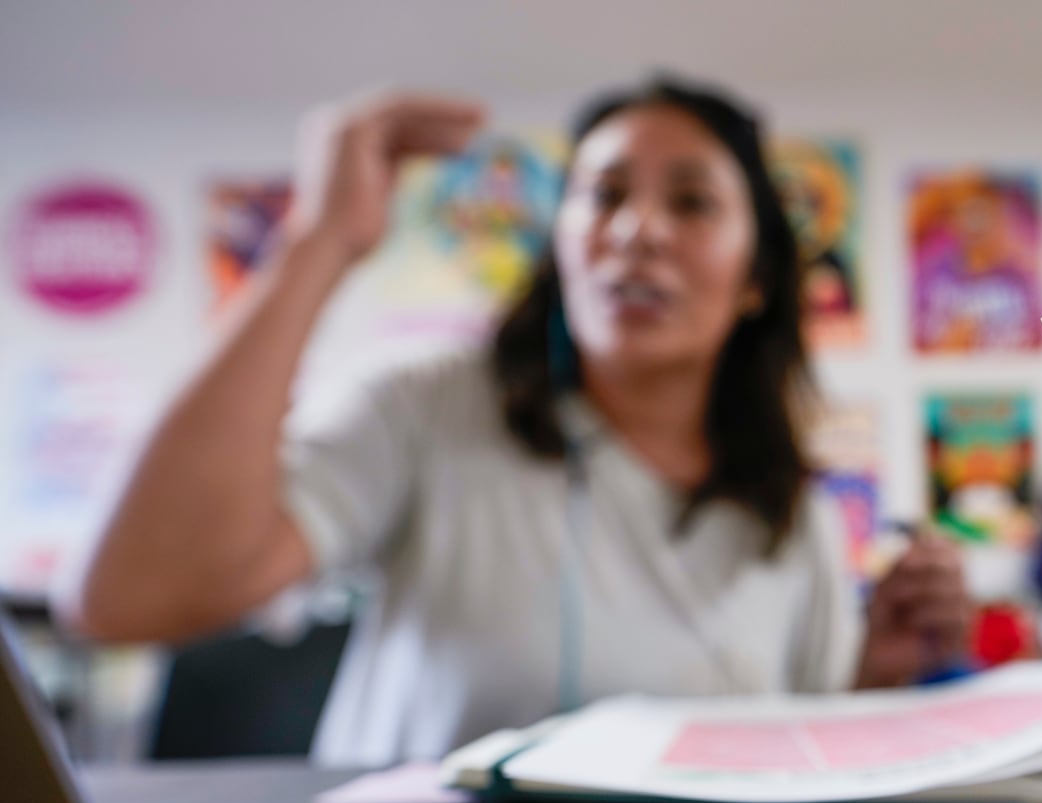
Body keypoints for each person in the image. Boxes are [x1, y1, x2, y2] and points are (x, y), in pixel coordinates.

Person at [55, 79, 973, 766]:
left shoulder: (795, 515)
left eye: (690, 201)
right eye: (604, 194)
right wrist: (321, 241)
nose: (637, 228)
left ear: (756, 282)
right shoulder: (429, 408)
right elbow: (127, 595)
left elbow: (797, 762)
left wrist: (876, 676)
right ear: (562, 244)